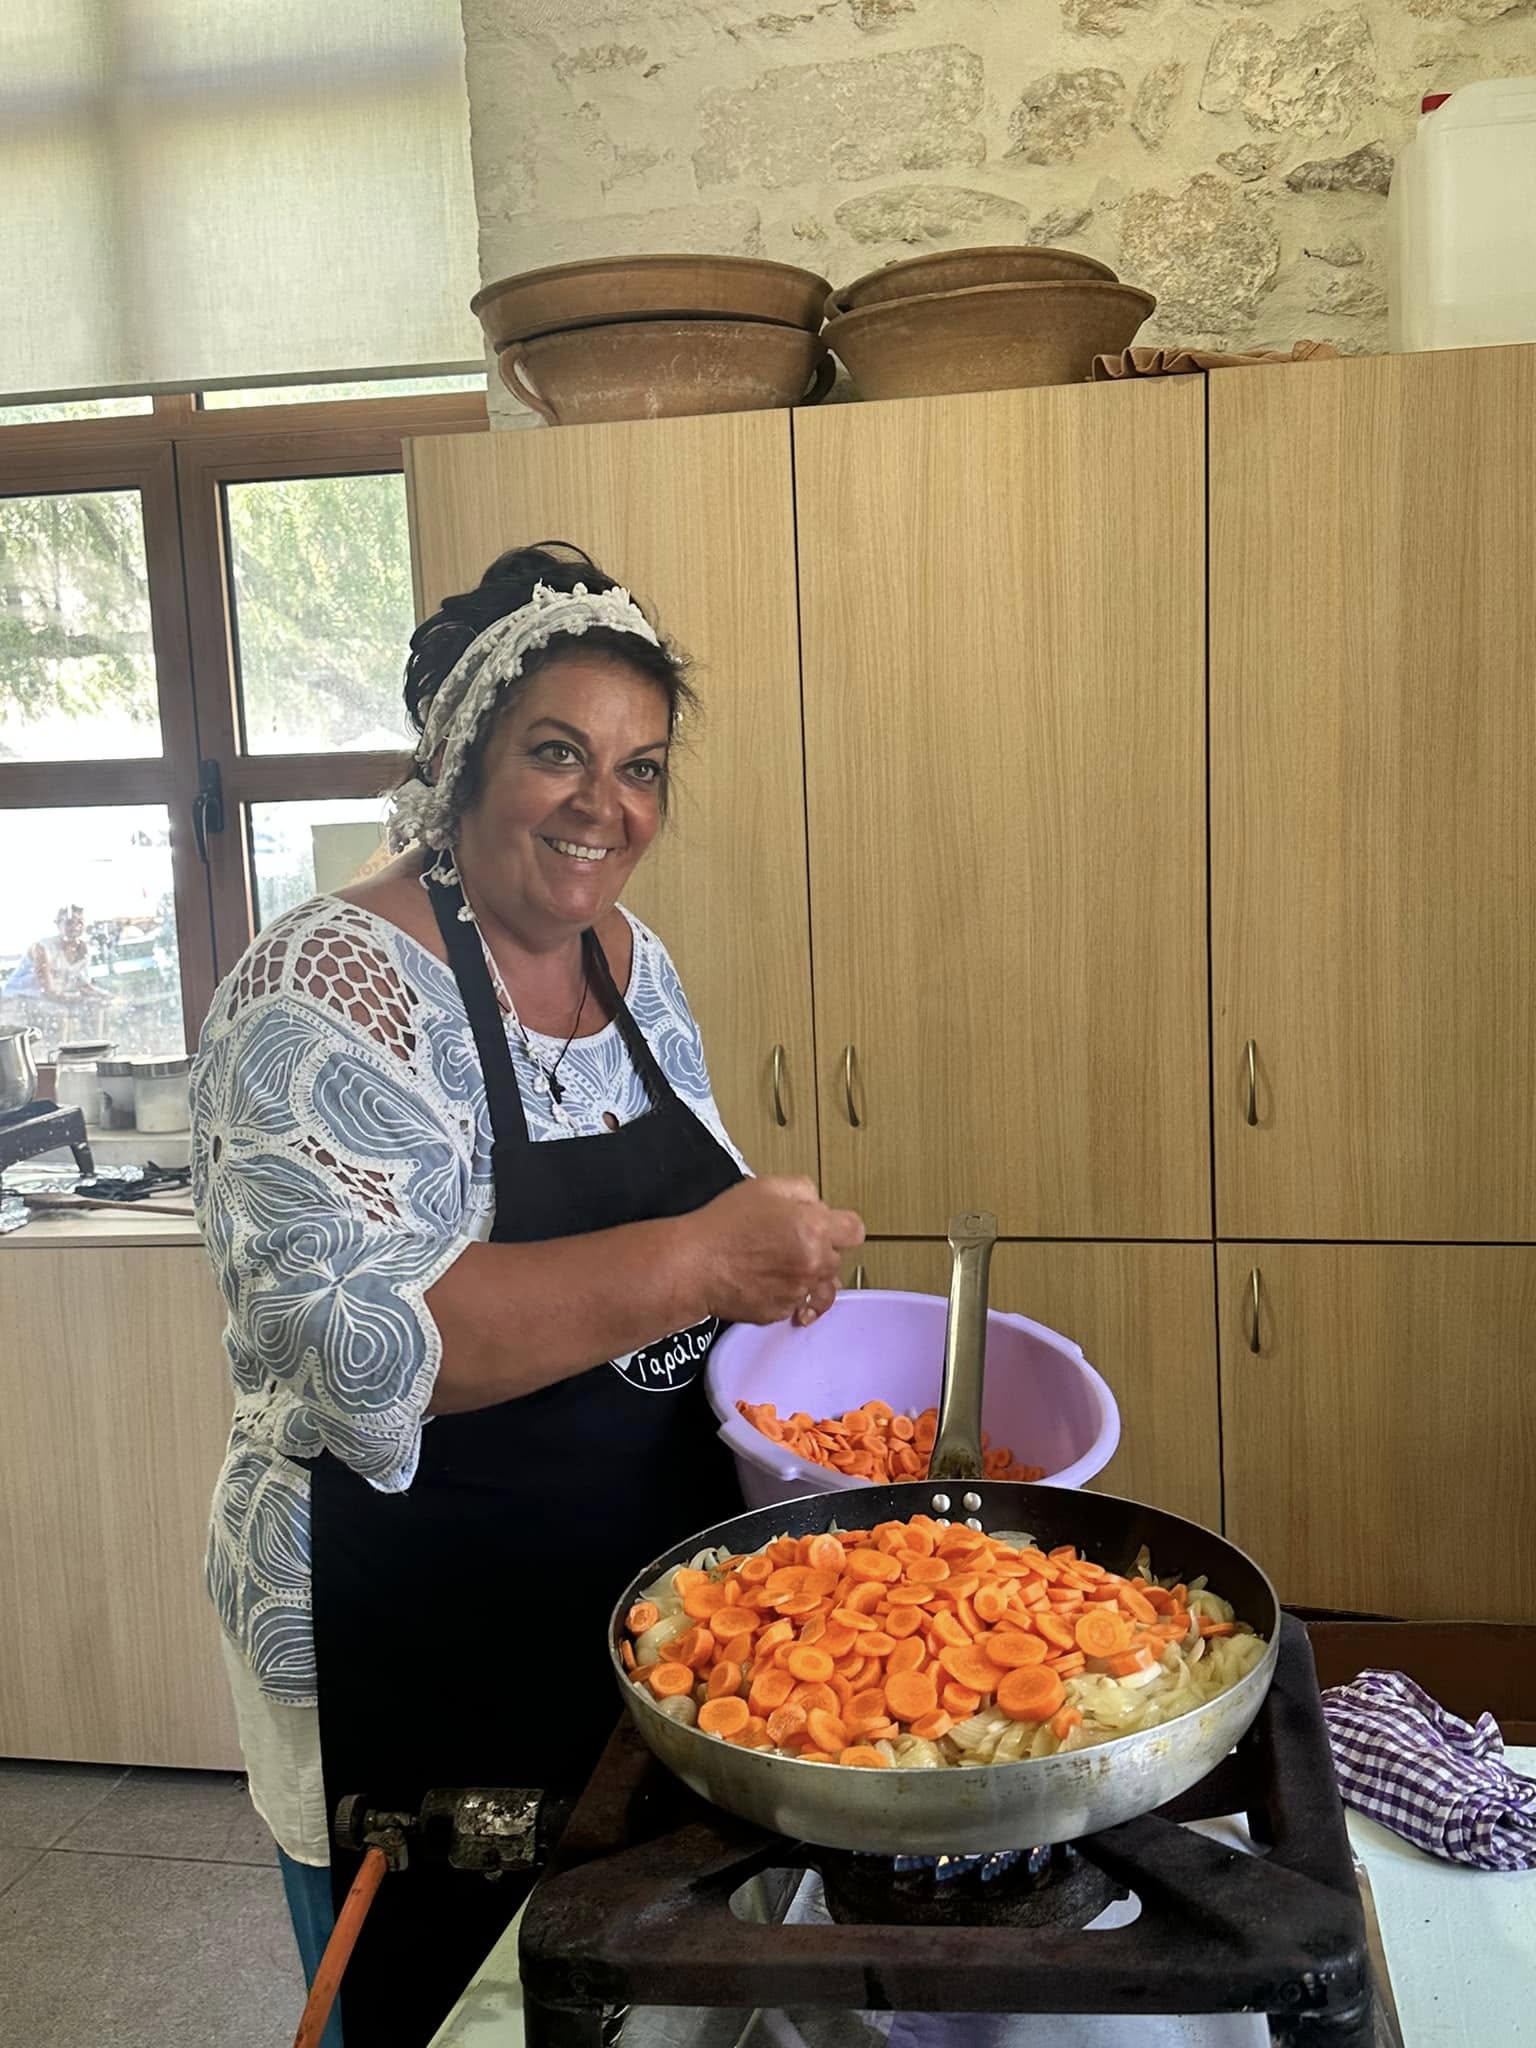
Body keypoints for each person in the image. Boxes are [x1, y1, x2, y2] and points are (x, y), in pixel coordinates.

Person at [190, 543, 865, 2046]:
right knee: (440, 2011)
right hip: (404, 1627)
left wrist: (773, 1294)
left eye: (641, 768)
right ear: (461, 766)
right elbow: (374, 1345)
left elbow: (686, 1232)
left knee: (624, 2004)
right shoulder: (323, 988)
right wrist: (707, 1259)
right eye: (558, 752)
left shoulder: (626, 958)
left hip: (629, 1607)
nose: (603, 805)